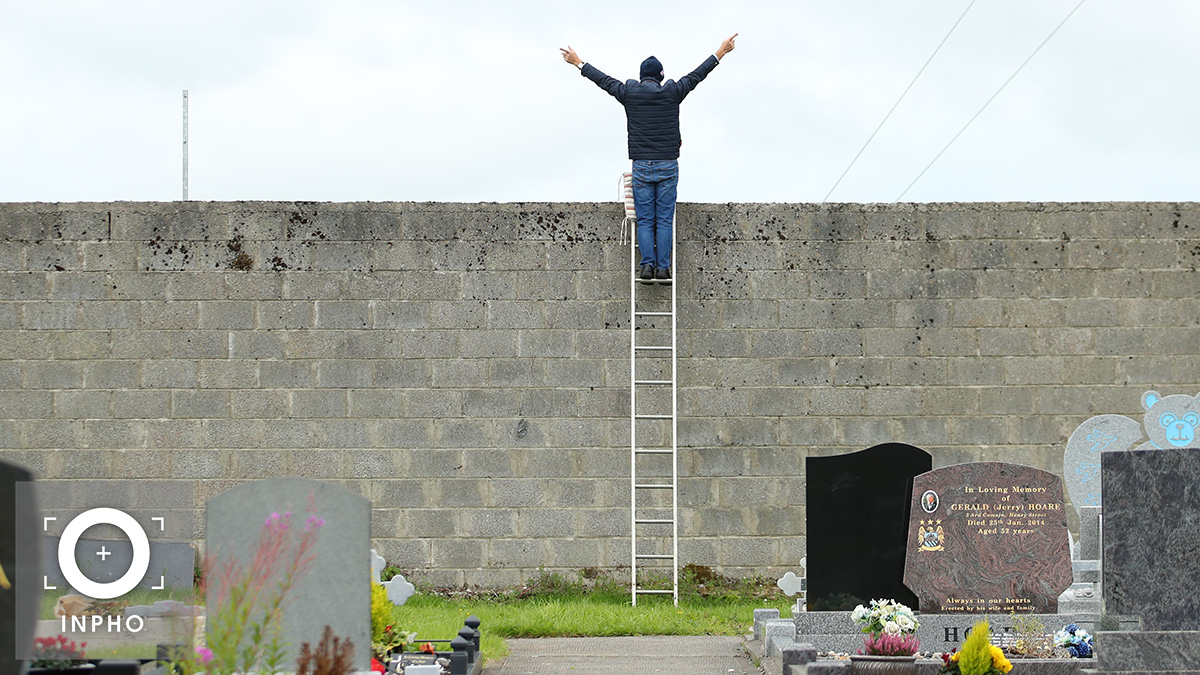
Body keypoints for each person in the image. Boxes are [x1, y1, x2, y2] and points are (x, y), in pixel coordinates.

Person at [561, 34, 737, 282]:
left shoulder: (629, 93)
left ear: (642, 76)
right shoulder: (673, 92)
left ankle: (646, 267)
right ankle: (663, 269)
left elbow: (603, 80)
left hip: (642, 165)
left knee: (645, 220)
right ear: (661, 76)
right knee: (664, 220)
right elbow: (698, 74)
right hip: (667, 164)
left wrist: (579, 62)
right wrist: (721, 51)